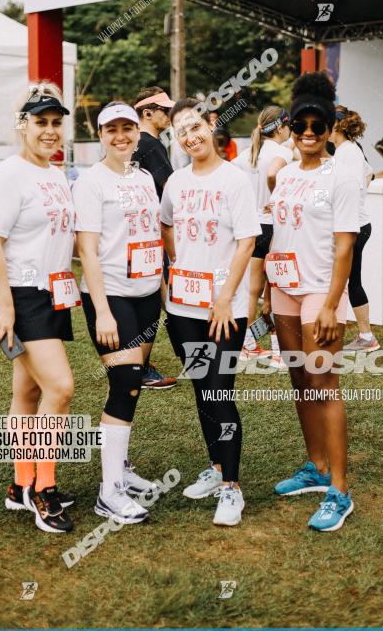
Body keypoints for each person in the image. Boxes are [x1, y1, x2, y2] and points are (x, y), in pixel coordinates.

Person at [0, 83, 78, 534]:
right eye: (41, 122)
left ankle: (19, 486)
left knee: (29, 393)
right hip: (20, 295)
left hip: (53, 293)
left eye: (57, 123)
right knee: (61, 387)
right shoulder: (8, 174)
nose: (51, 131)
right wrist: (5, 308)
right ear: (23, 126)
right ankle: (44, 488)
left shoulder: (55, 174)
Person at [264, 73, 359, 532]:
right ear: (290, 124)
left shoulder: (340, 175)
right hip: (283, 286)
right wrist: (266, 292)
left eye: (316, 126)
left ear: (328, 128)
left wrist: (330, 305)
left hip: (320, 290)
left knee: (323, 382)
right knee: (299, 377)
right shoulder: (281, 175)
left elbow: (345, 246)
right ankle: (316, 468)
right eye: (299, 124)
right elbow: (278, 233)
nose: (307, 132)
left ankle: (339, 490)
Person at [161, 98, 260, 526]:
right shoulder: (176, 182)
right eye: (181, 131)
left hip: (224, 310)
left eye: (195, 126)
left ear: (211, 124)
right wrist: (175, 265)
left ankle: (231, 489)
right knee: (202, 390)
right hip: (183, 308)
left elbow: (247, 242)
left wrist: (224, 297)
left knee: (220, 392)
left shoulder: (235, 181)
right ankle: (217, 469)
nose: (190, 136)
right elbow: (166, 223)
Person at [74, 102, 163, 526]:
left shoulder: (144, 177)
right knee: (125, 382)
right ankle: (109, 493)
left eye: (128, 128)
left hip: (147, 295)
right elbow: (87, 250)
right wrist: (103, 312)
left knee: (133, 387)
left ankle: (121, 467)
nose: (121, 136)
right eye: (112, 130)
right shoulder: (91, 182)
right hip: (110, 297)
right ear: (100, 135)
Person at [232, 106, 293, 369]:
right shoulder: (284, 153)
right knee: (279, 289)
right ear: (281, 127)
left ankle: (246, 346)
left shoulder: (245, 155)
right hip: (274, 227)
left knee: (250, 291)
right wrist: (275, 197)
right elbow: (273, 175)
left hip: (251, 228)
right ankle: (279, 353)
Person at [132, 86, 177, 390]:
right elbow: (170, 187)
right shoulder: (150, 145)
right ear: (147, 113)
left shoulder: (137, 144)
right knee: (161, 298)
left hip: (137, 235)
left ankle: (136, 363)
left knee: (155, 297)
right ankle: (141, 367)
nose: (170, 115)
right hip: (155, 233)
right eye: (165, 110)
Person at [329, 106, 379, 352]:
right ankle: (363, 334)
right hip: (356, 223)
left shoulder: (345, 152)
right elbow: (369, 174)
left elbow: (344, 189)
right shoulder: (349, 150)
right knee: (349, 280)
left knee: (350, 281)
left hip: (353, 226)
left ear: (336, 125)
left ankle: (366, 336)